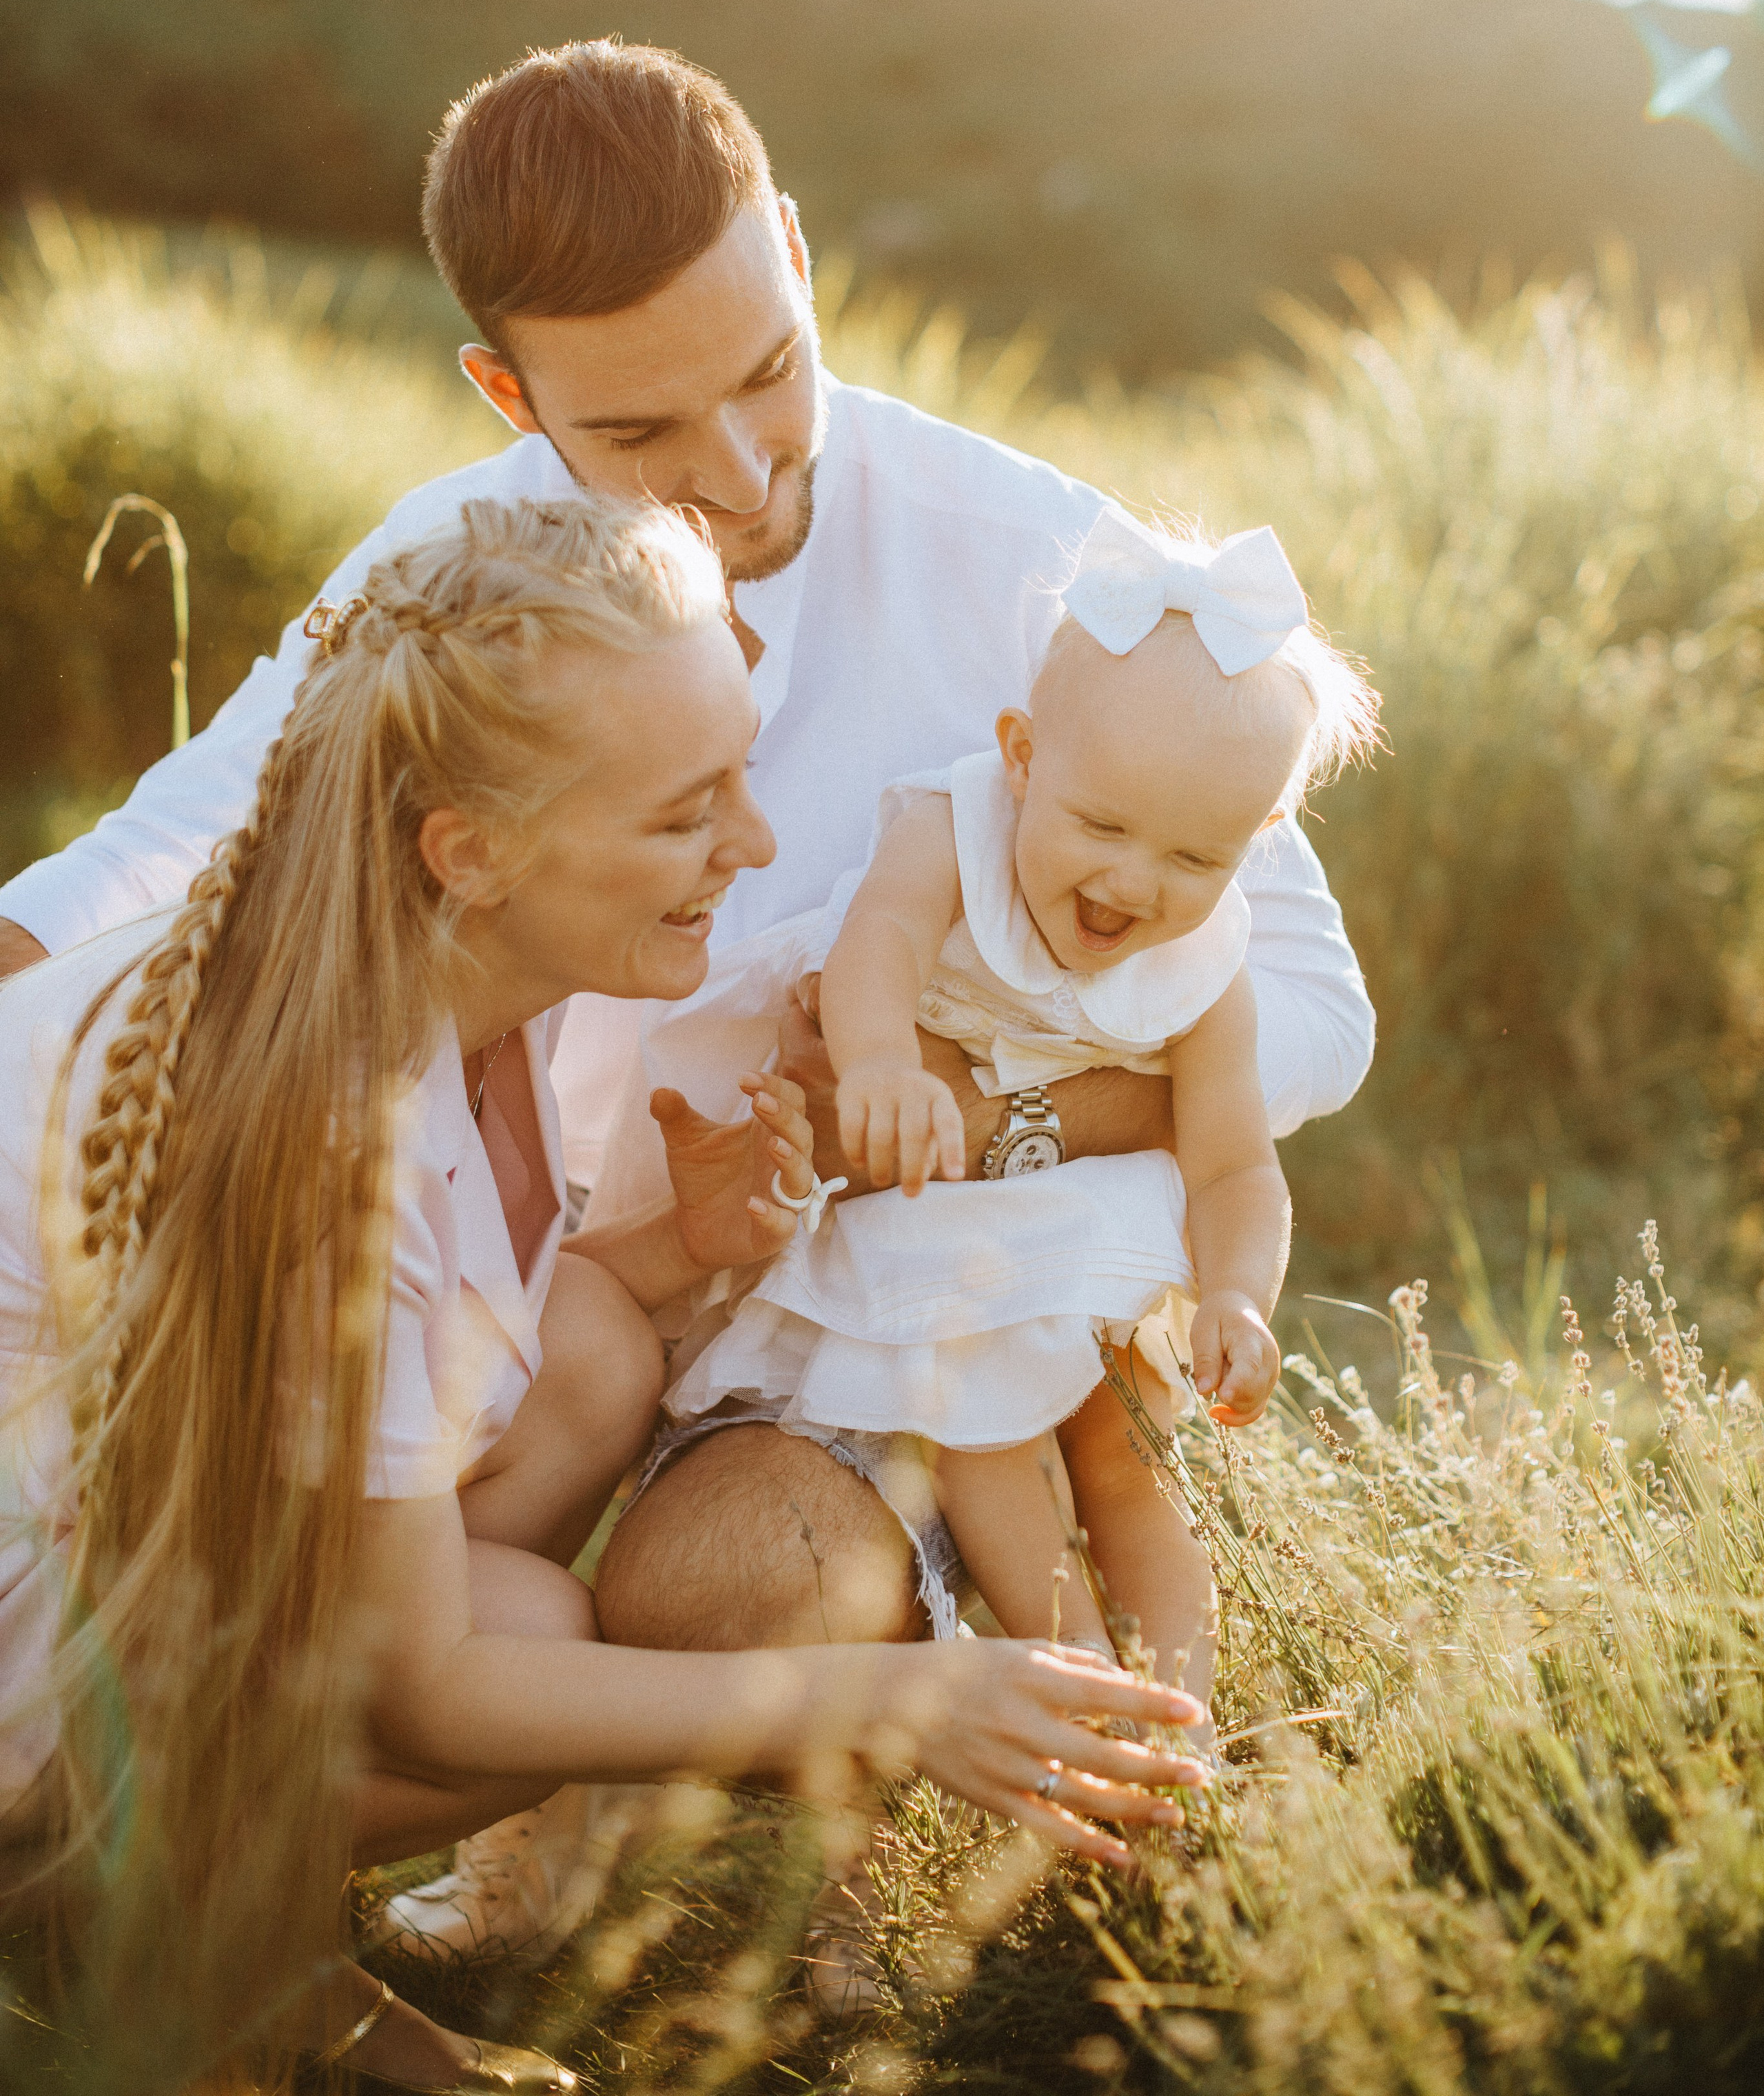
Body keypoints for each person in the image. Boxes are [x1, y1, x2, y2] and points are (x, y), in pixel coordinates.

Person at [0, 39, 1373, 1947]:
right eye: (640, 435)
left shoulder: (1039, 564)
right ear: (507, 391)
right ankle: (253, 1860)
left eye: (768, 375)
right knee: (482, 1513)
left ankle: (808, 1807)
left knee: (721, 1590)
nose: (737, 476)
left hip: (850, 1323)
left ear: (799, 258)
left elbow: (1311, 1005)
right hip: (560, 1299)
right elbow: (130, 879)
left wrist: (989, 1116)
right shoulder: (468, 572)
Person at [0, 493, 1204, 2093]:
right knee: (506, 1637)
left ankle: (257, 1954)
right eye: (685, 811)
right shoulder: (321, 1139)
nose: (758, 843)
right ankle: (110, 1900)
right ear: (472, 852)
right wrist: (905, 1693)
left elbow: (423, 1356)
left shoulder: (460, 973)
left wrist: (680, 1250)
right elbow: (425, 1682)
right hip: (36, 1669)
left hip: (120, 1574)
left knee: (580, 1357)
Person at [666, 508, 1380, 1720]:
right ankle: (1077, 1686)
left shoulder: (1209, 964)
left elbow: (1232, 1166)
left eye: (1192, 860)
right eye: (1101, 825)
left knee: (1135, 1466)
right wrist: (884, 1063)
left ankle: (1178, 1726)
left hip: (1097, 1222)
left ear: (1255, 847)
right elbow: (875, 942)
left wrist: (1238, 1295)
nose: (1132, 883)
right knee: (987, 1437)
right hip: (950, 1223)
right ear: (1022, 755)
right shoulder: (951, 831)